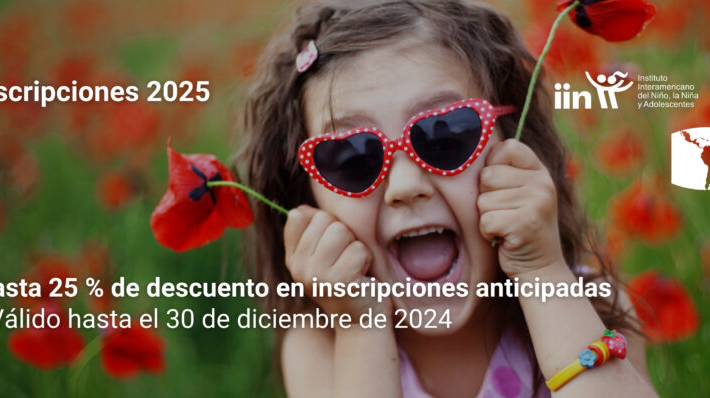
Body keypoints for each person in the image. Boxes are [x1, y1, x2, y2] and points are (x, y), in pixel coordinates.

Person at [238, 0, 658, 396]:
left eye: (447, 133)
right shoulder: (321, 344)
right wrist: (362, 327)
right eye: (352, 157)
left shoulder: (590, 304)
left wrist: (541, 274)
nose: (405, 187)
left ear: (513, 144)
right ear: (306, 197)